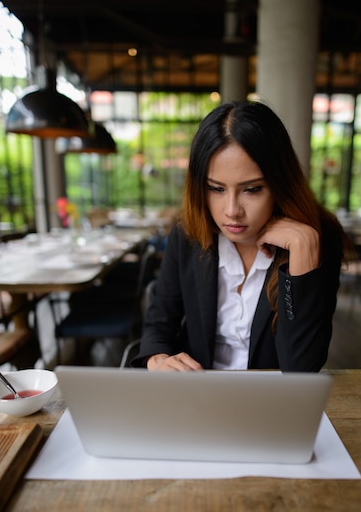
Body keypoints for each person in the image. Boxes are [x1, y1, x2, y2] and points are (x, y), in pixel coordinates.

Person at [130, 100, 349, 372]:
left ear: (281, 184)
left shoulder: (318, 239)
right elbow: (159, 322)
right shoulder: (188, 233)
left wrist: (302, 256)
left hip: (269, 403)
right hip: (196, 394)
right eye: (216, 189)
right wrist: (158, 359)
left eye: (252, 189)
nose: (232, 211)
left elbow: (300, 369)